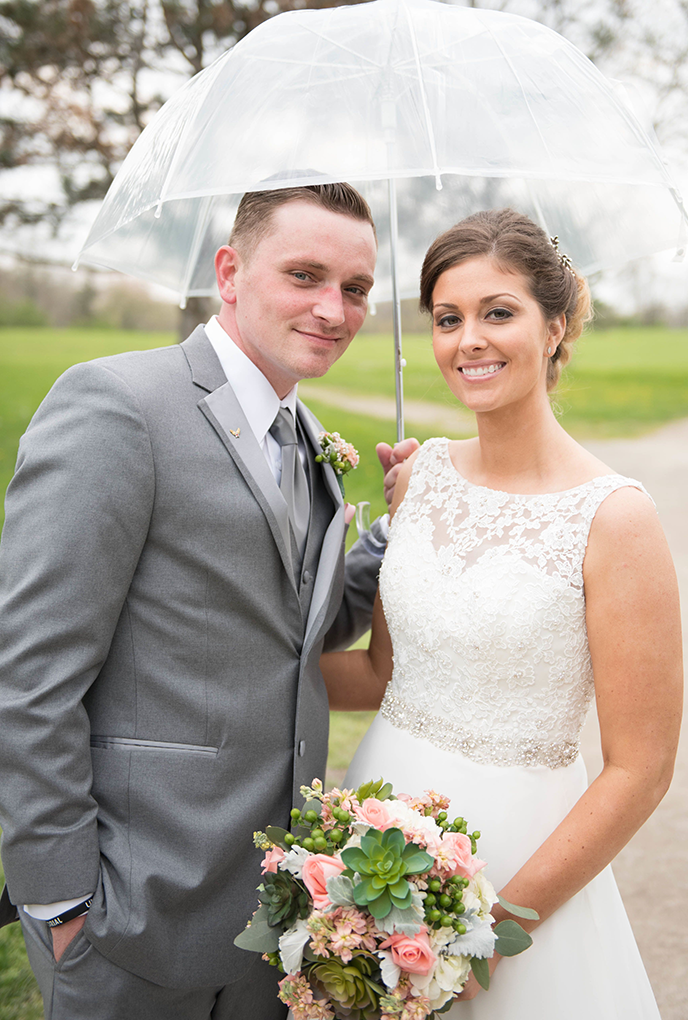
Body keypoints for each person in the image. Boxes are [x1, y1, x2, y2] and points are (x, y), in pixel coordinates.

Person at [0, 182, 417, 1019]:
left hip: (270, 914)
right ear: (229, 271)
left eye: (358, 288)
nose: (334, 309)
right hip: (131, 916)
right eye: (305, 275)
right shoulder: (118, 406)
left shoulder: (306, 437)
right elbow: (29, 679)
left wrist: (392, 534)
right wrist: (62, 907)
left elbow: (305, 627)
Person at [321, 208, 683, 1019]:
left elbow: (641, 770)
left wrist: (488, 935)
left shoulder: (615, 518)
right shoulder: (419, 481)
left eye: (498, 313)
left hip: (521, 866)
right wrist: (213, 671)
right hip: (377, 829)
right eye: (448, 319)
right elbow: (384, 673)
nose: (468, 340)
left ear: (556, 327)